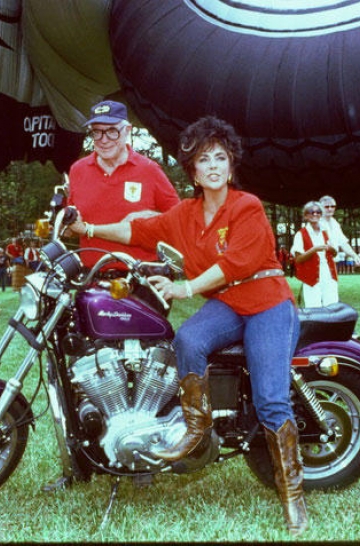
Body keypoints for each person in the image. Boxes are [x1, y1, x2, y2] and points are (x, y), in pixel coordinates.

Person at [70, 116, 306, 535]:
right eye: (203, 160)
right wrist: (87, 228)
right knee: (188, 339)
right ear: (193, 172)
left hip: (268, 303)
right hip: (228, 304)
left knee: (271, 399)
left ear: (230, 167)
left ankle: (292, 497)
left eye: (220, 158)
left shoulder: (247, 206)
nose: (213, 165)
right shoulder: (185, 214)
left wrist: (186, 287)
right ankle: (196, 430)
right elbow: (136, 228)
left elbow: (236, 263)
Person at [68, 100, 180, 268]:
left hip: (140, 278)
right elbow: (71, 229)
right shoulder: (78, 169)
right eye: (97, 132)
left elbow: (179, 220)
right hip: (93, 279)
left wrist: (151, 218)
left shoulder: (149, 169)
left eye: (112, 131)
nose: (103, 140)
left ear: (127, 130)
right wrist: (65, 221)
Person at [291, 201, 339, 307]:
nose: (315, 214)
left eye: (318, 212)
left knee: (332, 306)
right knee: (314, 308)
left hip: (329, 274)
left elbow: (335, 254)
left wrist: (331, 249)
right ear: (306, 216)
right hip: (310, 276)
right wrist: (314, 250)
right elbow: (298, 259)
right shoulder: (300, 234)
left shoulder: (326, 232)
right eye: (311, 212)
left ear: (321, 215)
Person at [318, 195, 360, 269]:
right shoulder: (316, 223)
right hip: (318, 264)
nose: (330, 209)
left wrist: (355, 256)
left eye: (332, 206)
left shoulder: (335, 223)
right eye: (326, 207)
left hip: (331, 263)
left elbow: (343, 243)